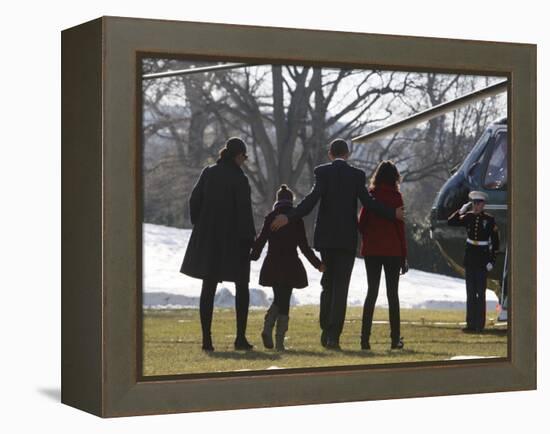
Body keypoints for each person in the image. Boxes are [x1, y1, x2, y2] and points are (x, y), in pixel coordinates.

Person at [271, 138, 405, 350]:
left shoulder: (322, 173)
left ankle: (326, 327)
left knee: (328, 284)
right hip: (346, 239)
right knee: (341, 287)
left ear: (330, 154)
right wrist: (393, 213)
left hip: (326, 238)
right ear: (348, 154)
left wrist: (289, 217)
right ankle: (334, 335)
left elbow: (311, 200)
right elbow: (369, 204)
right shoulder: (356, 175)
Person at [180, 137, 256, 352]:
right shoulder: (240, 179)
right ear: (238, 155)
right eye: (244, 156)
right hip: (234, 240)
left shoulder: (209, 172)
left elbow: (194, 200)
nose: (244, 161)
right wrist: (250, 239)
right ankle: (240, 338)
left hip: (209, 238)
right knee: (241, 286)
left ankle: (207, 340)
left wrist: (200, 224)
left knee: (208, 286)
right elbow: (244, 212)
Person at [250, 185, 326, 351]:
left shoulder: (271, 217)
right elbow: (304, 247)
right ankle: (278, 341)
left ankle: (268, 329)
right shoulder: (295, 219)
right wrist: (318, 264)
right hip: (291, 265)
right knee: (284, 300)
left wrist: (252, 256)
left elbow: (261, 240)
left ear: (277, 201)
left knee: (280, 298)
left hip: (273, 264)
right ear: (291, 201)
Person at [358, 161, 408, 351]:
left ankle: (365, 339)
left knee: (371, 293)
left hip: (372, 250)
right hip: (393, 251)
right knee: (392, 295)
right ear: (394, 177)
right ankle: (395, 339)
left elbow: (361, 224)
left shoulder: (371, 196)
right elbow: (400, 228)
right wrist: (404, 255)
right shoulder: (397, 198)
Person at [448, 191, 500, 333]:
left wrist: (492, 260)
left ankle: (479, 325)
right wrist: (461, 210)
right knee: (470, 292)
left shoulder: (489, 220)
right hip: (470, 258)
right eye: (474, 204)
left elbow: (495, 243)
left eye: (479, 204)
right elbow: (451, 222)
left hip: (482, 259)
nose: (476, 206)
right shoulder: (468, 217)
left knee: (480, 293)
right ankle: (470, 324)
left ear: (483, 205)